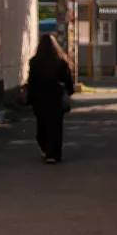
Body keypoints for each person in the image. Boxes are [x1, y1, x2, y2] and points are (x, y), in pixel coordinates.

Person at [27, 34, 74, 164]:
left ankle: (44, 148)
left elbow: (31, 81)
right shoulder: (61, 62)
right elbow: (68, 81)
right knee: (56, 126)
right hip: (56, 98)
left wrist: (30, 98)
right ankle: (54, 153)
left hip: (40, 99)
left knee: (42, 124)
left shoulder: (34, 62)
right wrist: (69, 92)